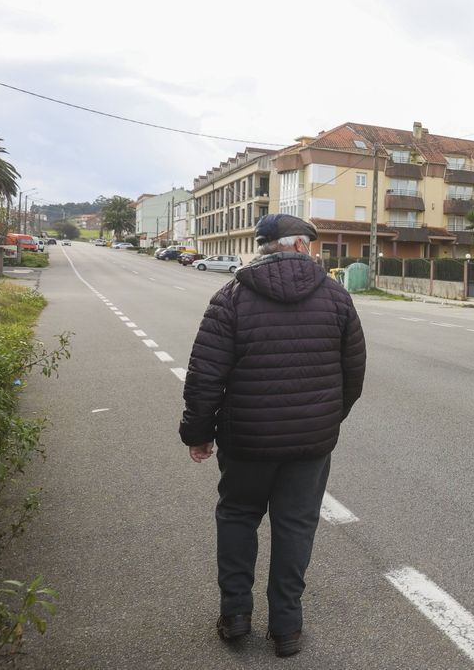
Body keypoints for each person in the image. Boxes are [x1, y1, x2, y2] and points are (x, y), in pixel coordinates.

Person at [179, 213, 366, 657]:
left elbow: (205, 376)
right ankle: (286, 629)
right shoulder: (337, 297)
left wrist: (198, 434)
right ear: (301, 247)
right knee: (296, 526)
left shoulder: (231, 297)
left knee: (239, 517)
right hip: (311, 445)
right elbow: (353, 373)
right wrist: (326, 420)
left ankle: (235, 618)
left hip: (246, 441)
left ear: (262, 248)